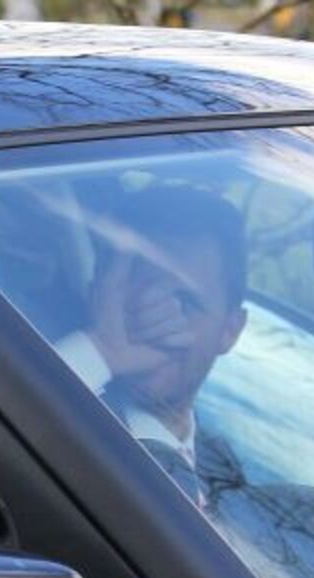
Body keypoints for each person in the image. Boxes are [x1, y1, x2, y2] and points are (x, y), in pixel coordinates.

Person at [54, 186, 248, 501]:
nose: (153, 320)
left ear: (230, 330)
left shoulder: (222, 466)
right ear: (97, 295)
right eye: (134, 296)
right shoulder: (56, 423)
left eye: (184, 301)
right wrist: (100, 351)